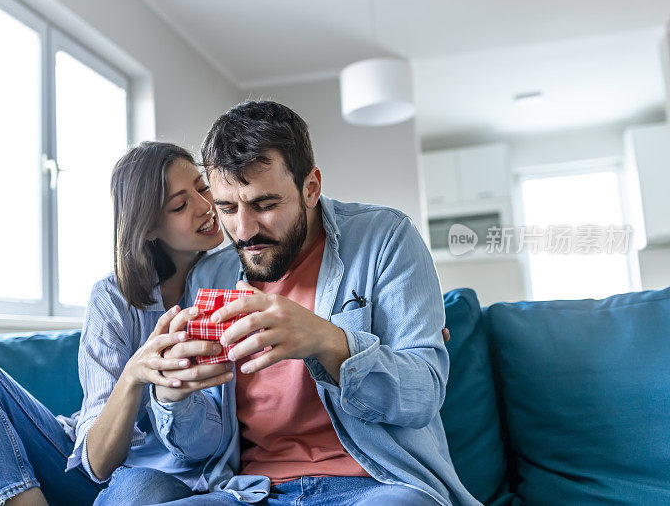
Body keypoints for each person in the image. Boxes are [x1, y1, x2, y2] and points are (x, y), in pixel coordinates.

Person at [145, 101, 478, 505]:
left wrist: (329, 341)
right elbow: (204, 446)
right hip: (251, 493)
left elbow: (422, 395)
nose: (244, 231)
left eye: (265, 205)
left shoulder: (385, 239)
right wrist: (173, 398)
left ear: (311, 188)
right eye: (227, 208)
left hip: (374, 485)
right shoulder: (208, 275)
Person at [0, 142, 236, 506]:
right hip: (84, 464)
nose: (205, 206)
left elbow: (213, 440)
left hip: (169, 479)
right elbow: (98, 464)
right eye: (179, 205)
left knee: (137, 493)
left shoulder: (231, 281)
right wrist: (133, 375)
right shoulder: (112, 296)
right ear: (147, 227)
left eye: (202, 187)